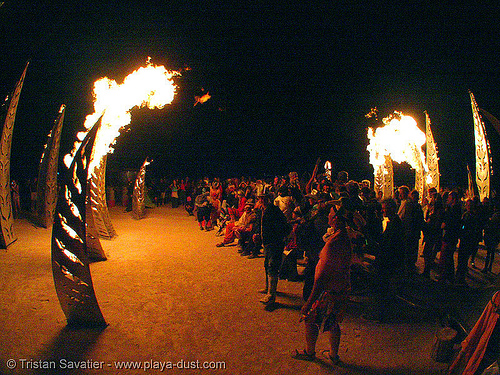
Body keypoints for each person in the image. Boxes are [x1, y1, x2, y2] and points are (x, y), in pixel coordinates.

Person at [292, 205, 352, 363]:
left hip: (327, 290)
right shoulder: (343, 236)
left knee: (310, 318)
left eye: (330, 215)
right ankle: (333, 355)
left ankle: (310, 352)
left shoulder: (335, 243)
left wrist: (310, 300)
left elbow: (322, 275)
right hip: (339, 287)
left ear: (336, 219)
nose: (328, 217)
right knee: (333, 321)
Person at [258, 190, 290, 306]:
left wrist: (279, 238)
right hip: (267, 243)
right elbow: (261, 225)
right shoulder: (263, 210)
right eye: (260, 198)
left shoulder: (273, 210)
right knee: (267, 265)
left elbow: (282, 225)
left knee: (272, 266)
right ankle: (268, 288)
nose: (261, 200)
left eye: (264, 198)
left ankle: (271, 295)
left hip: (274, 243)